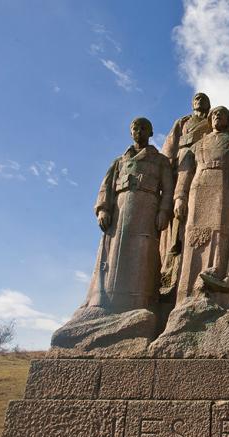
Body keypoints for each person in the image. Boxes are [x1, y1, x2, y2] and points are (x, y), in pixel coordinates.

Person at [174, 106, 229, 312]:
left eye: (221, 114)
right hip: (199, 189)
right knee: (194, 237)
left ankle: (220, 280)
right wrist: (179, 197)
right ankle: (188, 289)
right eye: (214, 114)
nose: (217, 117)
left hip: (225, 188)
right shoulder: (198, 145)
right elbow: (184, 173)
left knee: (221, 234)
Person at [82, 117, 173, 313]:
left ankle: (141, 300)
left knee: (143, 252)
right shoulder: (119, 161)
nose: (139, 131)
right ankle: (105, 299)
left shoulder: (160, 161)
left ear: (151, 133)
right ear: (131, 132)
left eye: (143, 128)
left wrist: (164, 211)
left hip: (147, 208)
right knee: (113, 251)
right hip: (119, 209)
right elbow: (105, 187)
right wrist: (103, 209)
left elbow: (168, 190)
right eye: (135, 128)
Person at [159, 92, 212, 296]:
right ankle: (174, 251)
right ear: (192, 104)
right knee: (178, 206)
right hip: (182, 163)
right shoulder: (183, 121)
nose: (200, 101)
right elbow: (170, 146)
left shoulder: (210, 121)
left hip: (202, 164)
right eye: (197, 99)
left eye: (204, 99)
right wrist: (167, 166)